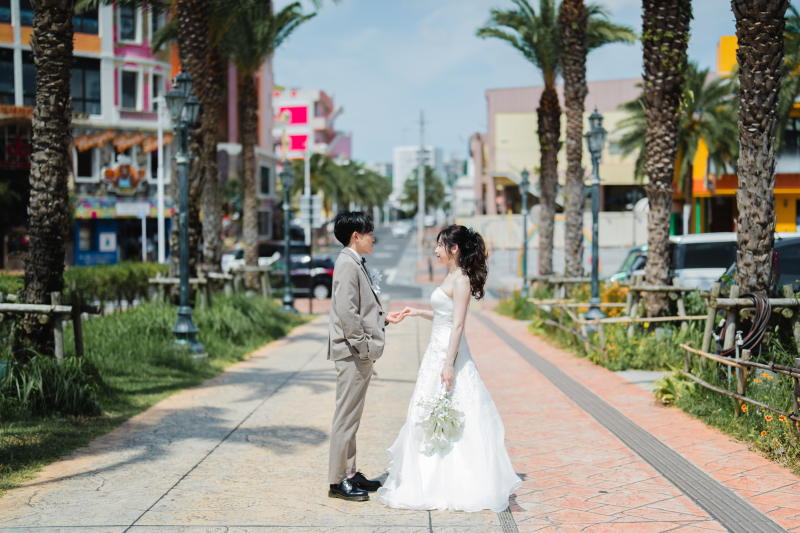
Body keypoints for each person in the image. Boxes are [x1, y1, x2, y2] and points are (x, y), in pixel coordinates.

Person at [379, 224, 522, 512]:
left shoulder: (462, 280)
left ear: (453, 249)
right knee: (425, 410)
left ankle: (461, 481)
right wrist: (417, 312)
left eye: (439, 245)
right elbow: (445, 315)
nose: (435, 250)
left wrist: (448, 364)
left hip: (449, 354)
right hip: (436, 351)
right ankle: (428, 477)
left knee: (458, 411)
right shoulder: (452, 275)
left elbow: (458, 324)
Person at [327, 211, 401, 502]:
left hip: (356, 351)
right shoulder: (347, 264)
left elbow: (362, 309)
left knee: (352, 416)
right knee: (345, 417)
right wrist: (364, 348)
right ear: (355, 236)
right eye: (369, 232)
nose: (373, 237)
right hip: (352, 353)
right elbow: (348, 313)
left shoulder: (353, 262)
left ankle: (349, 472)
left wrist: (383, 320)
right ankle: (336, 481)